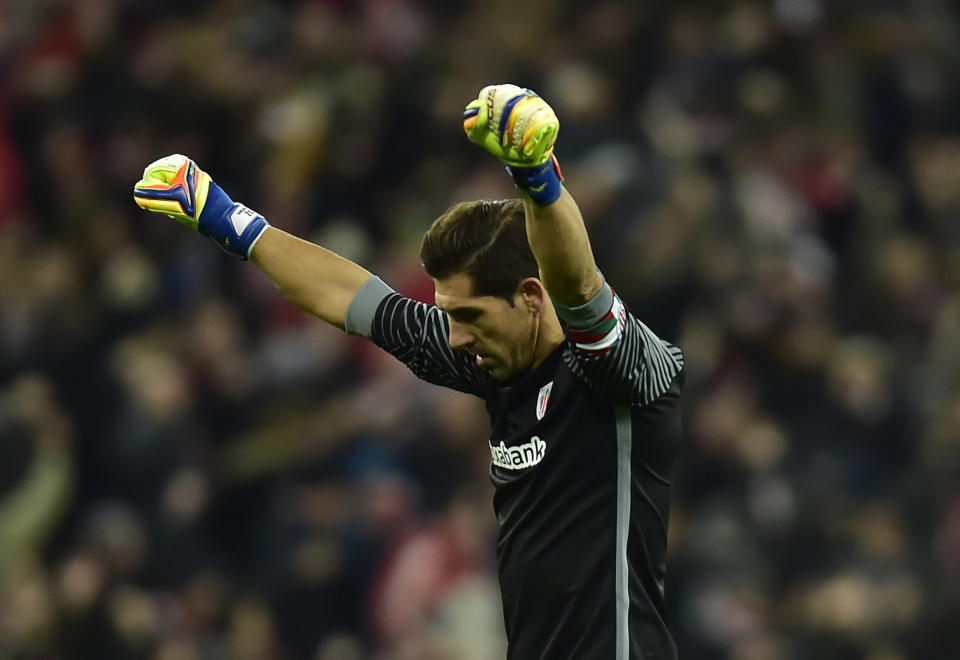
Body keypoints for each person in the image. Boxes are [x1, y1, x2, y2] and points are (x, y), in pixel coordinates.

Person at [134, 84, 685, 660]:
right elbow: (357, 299)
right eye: (449, 315)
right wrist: (228, 218)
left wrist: (537, 176)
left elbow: (579, 286)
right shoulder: (491, 360)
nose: (455, 336)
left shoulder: (626, 374)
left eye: (469, 316)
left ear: (530, 297)